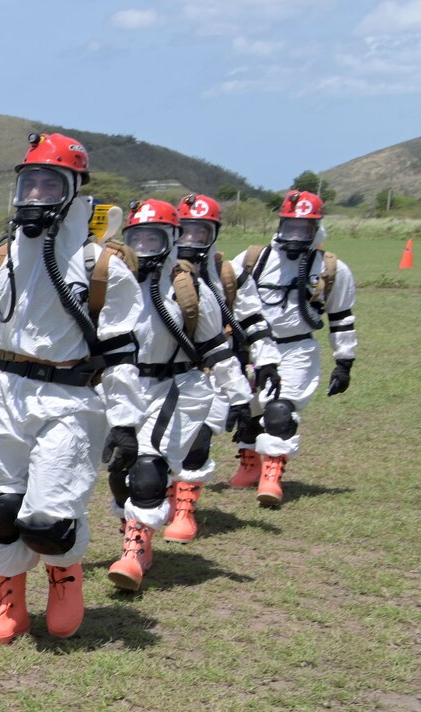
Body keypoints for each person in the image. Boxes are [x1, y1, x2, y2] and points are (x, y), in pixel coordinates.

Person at [0, 132, 145, 643]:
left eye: (50, 184)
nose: (36, 195)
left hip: (69, 397)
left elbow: (120, 353)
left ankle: (65, 581)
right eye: (29, 183)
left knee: (49, 517)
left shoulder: (101, 267)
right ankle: (11, 606)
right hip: (2, 391)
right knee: (3, 508)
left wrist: (126, 422)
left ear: (74, 191)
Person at [100, 199, 254, 590]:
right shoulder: (112, 280)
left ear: (172, 239)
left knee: (149, 469)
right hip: (122, 387)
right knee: (120, 471)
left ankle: (133, 553)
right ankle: (138, 535)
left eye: (156, 238)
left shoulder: (189, 287)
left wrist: (239, 397)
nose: (146, 247)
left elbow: (216, 349)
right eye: (139, 238)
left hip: (176, 385)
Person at [225, 190, 359, 506]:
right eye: (291, 227)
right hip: (251, 347)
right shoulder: (252, 259)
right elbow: (222, 296)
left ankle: (271, 474)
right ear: (281, 224)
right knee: (248, 409)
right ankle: (250, 463)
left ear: (316, 229)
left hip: (296, 349)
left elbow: (341, 317)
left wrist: (345, 361)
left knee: (280, 410)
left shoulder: (331, 269)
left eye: (304, 228)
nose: (296, 235)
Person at [167, 193, 277, 540]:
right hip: (163, 372)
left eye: (201, 232)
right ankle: (164, 498)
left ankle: (184, 510)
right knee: (162, 445)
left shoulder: (228, 273)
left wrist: (267, 360)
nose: (191, 240)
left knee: (198, 439)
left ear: (214, 233)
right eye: (185, 231)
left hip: (213, 370)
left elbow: (253, 318)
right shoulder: (154, 270)